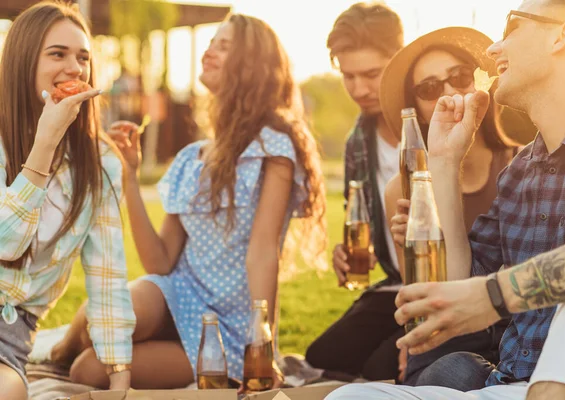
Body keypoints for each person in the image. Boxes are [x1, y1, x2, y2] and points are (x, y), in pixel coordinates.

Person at [326, 0, 565, 398]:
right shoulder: (520, 172)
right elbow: (455, 288)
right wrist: (443, 161)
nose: (492, 50)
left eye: (512, 27)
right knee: (349, 396)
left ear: (561, 34)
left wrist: (495, 294)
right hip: (510, 385)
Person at [51, 13, 327, 389]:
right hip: (176, 293)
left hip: (225, 327)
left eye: (224, 46)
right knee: (105, 316)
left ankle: (81, 354)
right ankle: (56, 351)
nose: (209, 52)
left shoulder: (272, 146)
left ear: (253, 68)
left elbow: (263, 252)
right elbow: (160, 262)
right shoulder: (191, 157)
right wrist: (129, 174)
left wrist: (260, 347)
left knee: (87, 371)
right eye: (212, 43)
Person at [379, 26, 536, 389]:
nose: (449, 92)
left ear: (479, 83)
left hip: (514, 327)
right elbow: (423, 298)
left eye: (460, 77)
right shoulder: (403, 188)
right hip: (451, 338)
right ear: (416, 106)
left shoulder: (520, 164)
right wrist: (417, 247)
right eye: (429, 89)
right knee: (456, 369)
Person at [0, 2, 136, 399]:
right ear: (23, 62)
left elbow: (107, 275)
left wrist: (119, 379)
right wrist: (44, 144)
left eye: (83, 58)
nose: (74, 68)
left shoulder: (101, 162)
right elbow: (5, 244)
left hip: (11, 331)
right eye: (57, 54)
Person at [304, 2, 406, 381]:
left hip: (447, 283)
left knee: (379, 367)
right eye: (348, 75)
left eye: (371, 74)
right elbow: (358, 222)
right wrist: (344, 254)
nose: (358, 89)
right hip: (396, 285)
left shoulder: (433, 124)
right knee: (322, 356)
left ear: (400, 60)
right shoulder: (357, 143)